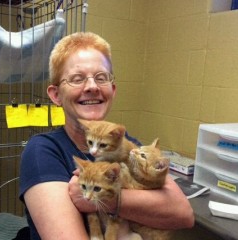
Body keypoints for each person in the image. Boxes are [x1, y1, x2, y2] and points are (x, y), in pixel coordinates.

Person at [19, 32, 194, 240]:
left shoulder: (123, 142)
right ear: (56, 95)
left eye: (101, 78)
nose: (92, 87)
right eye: (77, 78)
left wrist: (109, 201)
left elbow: (184, 214)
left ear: (112, 90)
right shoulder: (43, 150)